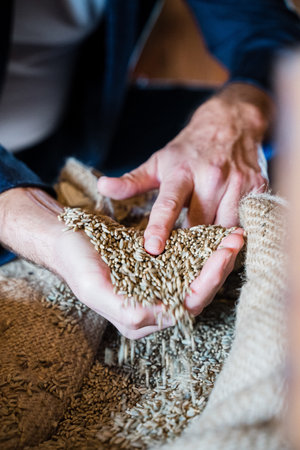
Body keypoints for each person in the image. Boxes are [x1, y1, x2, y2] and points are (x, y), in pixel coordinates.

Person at [0, 0, 299, 338]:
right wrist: (35, 221)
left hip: (86, 123)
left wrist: (240, 111)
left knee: (289, 120)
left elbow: (261, 26)